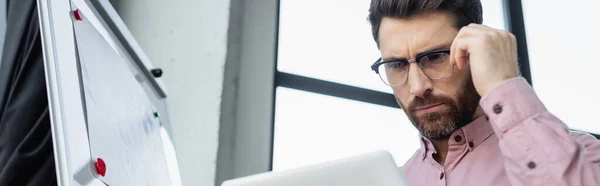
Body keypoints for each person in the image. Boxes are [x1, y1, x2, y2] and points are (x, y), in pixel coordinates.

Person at [367, 0, 600, 185]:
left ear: (474, 49)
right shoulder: (396, 180)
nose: (417, 87)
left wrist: (503, 84)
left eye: (435, 57)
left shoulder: (583, 156)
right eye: (397, 65)